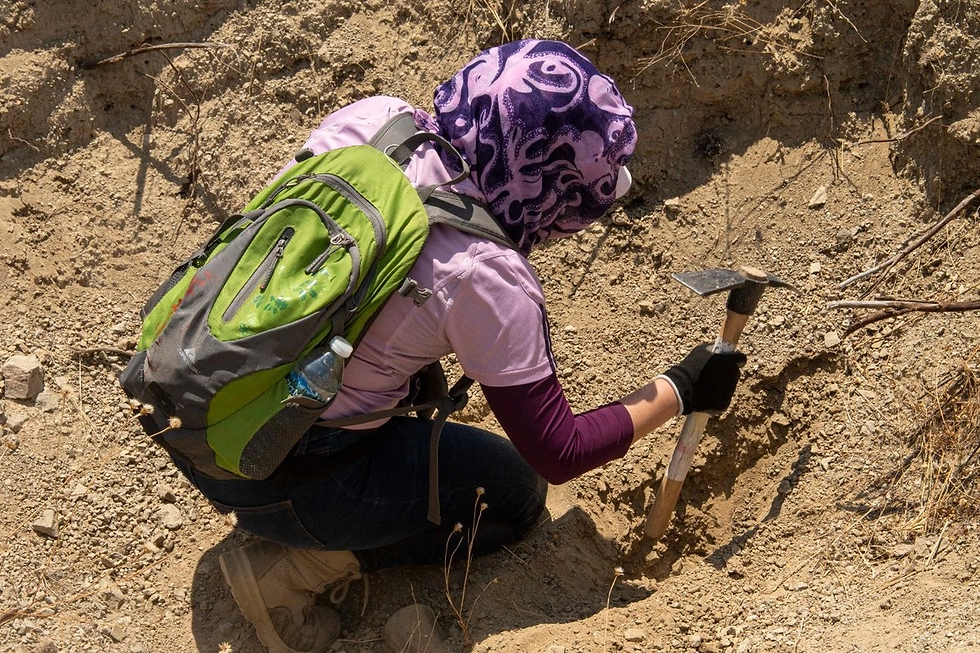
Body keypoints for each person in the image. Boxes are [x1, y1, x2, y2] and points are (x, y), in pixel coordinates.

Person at [174, 39, 746, 653]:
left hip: (194, 405)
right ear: (552, 186)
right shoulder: (484, 275)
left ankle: (304, 503)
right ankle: (293, 569)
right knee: (519, 493)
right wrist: (681, 387)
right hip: (280, 469)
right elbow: (561, 451)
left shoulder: (376, 120)